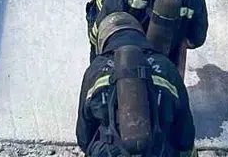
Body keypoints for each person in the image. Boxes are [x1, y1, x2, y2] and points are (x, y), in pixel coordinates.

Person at [76, 12, 195, 157]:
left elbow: (84, 137)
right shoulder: (166, 66)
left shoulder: (95, 71)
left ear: (104, 40)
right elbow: (185, 136)